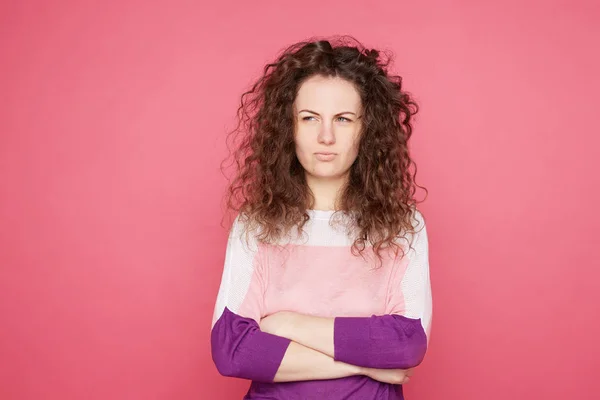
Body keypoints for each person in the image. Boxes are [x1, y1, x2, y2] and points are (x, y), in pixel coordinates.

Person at [210, 36, 432, 400]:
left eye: (343, 119)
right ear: (288, 127)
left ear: (367, 129)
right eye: (309, 117)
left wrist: (287, 324)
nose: (325, 136)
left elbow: (406, 344)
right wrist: (363, 362)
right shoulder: (256, 224)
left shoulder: (403, 226)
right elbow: (232, 351)